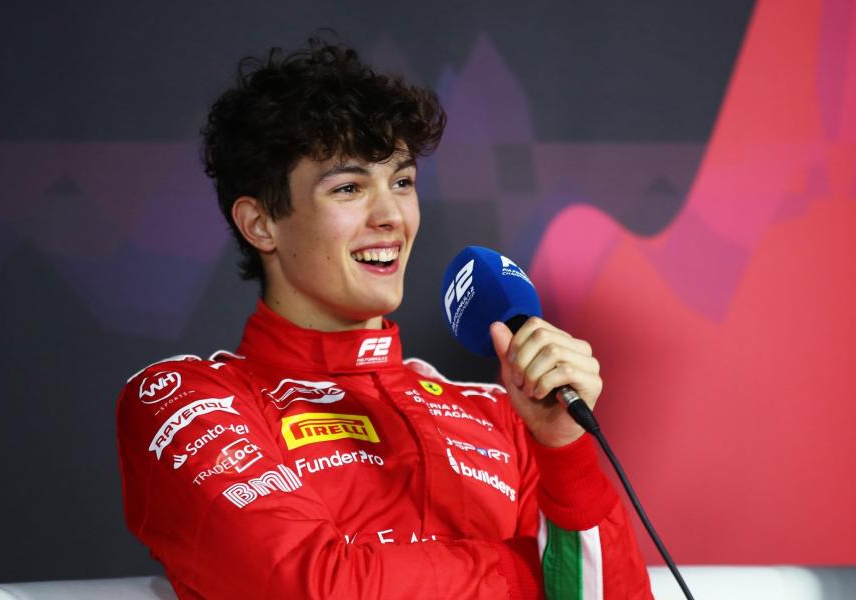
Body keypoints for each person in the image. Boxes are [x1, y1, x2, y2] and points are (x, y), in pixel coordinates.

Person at [116, 38, 653, 599]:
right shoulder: (184, 401)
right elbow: (314, 591)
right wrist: (534, 578)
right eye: (348, 188)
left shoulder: (504, 416)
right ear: (260, 224)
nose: (391, 216)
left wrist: (563, 448)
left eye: (402, 182)